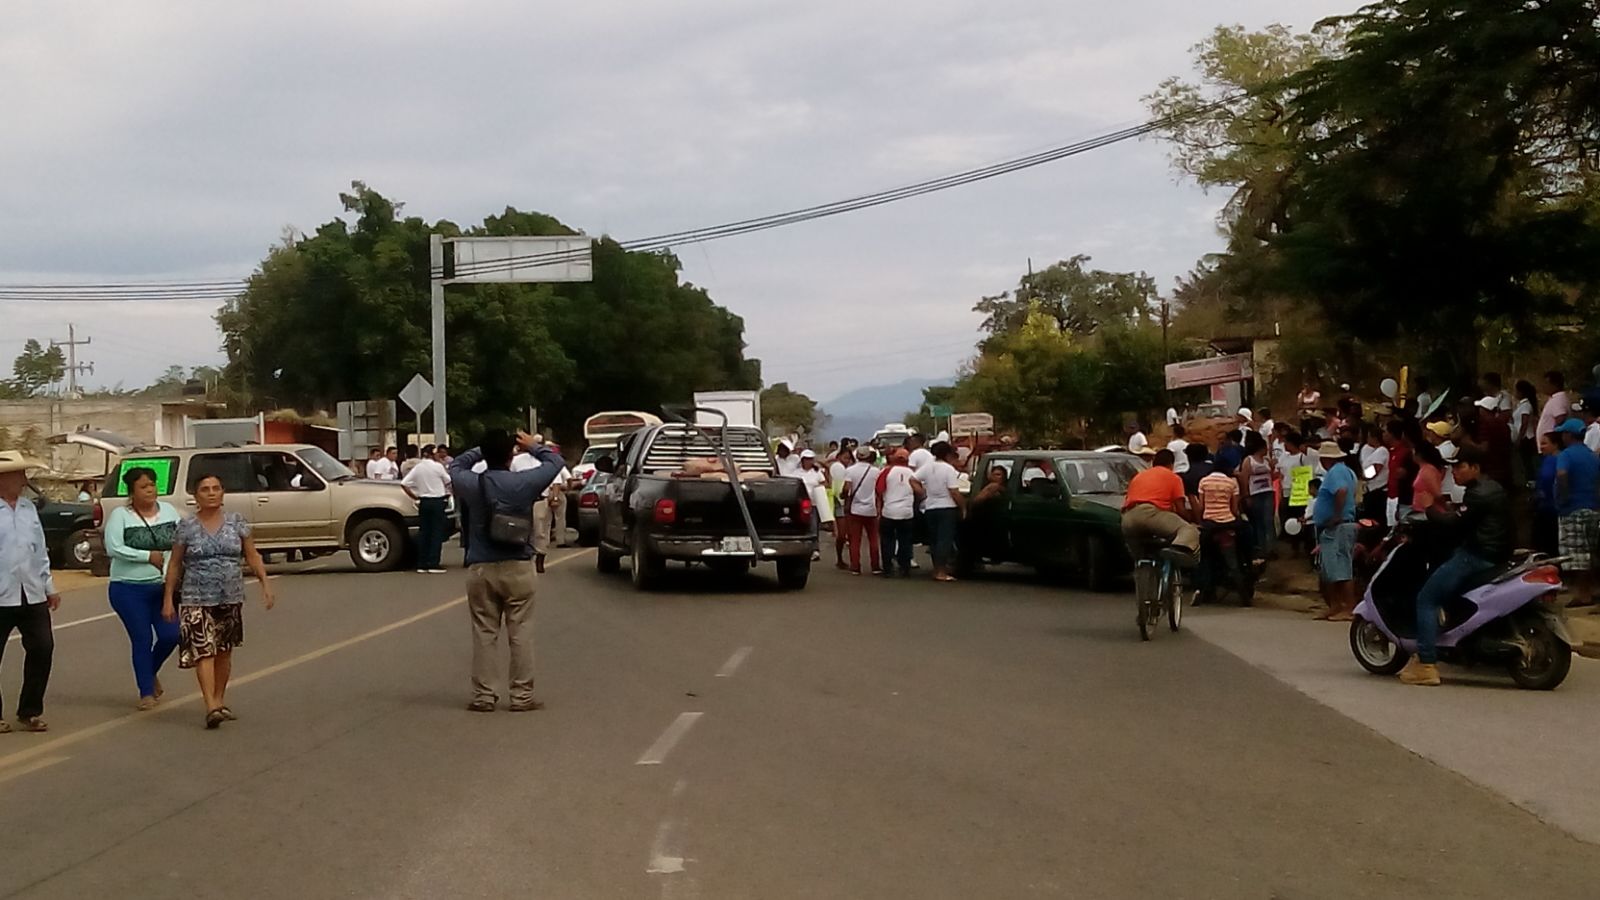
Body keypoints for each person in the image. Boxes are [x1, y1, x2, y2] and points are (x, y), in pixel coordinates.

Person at [449, 430, 566, 712]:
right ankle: (521, 696)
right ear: (511, 454)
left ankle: (484, 696)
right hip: (518, 565)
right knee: (521, 631)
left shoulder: (472, 483)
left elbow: (454, 466)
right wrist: (533, 446)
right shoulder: (524, 483)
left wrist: (481, 448)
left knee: (484, 632)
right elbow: (555, 464)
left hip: (481, 567)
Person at [162, 473, 275, 728]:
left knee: (224, 651)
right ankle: (210, 705)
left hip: (230, 594)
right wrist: (168, 598)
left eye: (216, 488)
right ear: (195, 496)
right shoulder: (187, 527)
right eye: (205, 489)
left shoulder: (237, 523)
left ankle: (219, 700)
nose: (211, 493)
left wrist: (265, 583)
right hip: (196, 596)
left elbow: (252, 555)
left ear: (223, 492)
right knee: (204, 649)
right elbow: (175, 564)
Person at [1399, 445, 1512, 686]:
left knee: (1426, 599)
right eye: (1452, 467)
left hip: (1476, 556)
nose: (1454, 472)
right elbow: (1466, 518)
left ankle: (1427, 664)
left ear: (1475, 468)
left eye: (1459, 467)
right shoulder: (1492, 488)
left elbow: (1454, 525)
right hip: (1495, 554)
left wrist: (1429, 507)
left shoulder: (1478, 494)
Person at [103, 466, 183, 709]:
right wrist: (146, 556)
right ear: (132, 491)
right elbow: (113, 547)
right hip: (127, 588)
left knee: (172, 634)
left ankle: (149, 671)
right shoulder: (121, 515)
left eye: (152, 485)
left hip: (161, 588)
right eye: (143, 486)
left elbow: (179, 544)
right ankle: (145, 691)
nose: (150, 490)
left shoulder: (169, 511)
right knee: (142, 637)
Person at [0, 451, 61, 733]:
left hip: (31, 592)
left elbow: (40, 550)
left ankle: (30, 710)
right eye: (18, 474)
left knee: (42, 648)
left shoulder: (27, 508)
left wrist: (49, 586)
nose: (23, 480)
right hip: (1, 595)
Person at [1120, 448, 1200, 565]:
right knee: (1188, 530)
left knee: (1141, 561)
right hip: (1151, 514)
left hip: (1128, 519)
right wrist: (1191, 522)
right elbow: (1181, 509)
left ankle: (1144, 578)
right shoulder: (1173, 477)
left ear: (1153, 463)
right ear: (1171, 464)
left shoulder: (1139, 476)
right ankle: (1176, 550)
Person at [1554, 417, 1600, 608]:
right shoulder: (1591, 455)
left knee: (1577, 556)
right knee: (1591, 552)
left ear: (1568, 435)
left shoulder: (1566, 455)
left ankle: (1583, 595)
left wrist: (1563, 499)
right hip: (1593, 508)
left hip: (1573, 509)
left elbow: (1562, 475)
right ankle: (1592, 590)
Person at [1312, 441, 1359, 621]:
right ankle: (1335, 605)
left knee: (1340, 569)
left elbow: (1341, 491)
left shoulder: (1336, 472)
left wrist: (1337, 515)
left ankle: (1348, 607)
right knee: (1331, 568)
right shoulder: (1347, 471)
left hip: (1338, 525)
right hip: (1338, 524)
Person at [401, 447, 452, 574]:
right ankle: (433, 563)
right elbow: (448, 480)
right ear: (431, 455)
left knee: (424, 532)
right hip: (437, 501)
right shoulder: (438, 467)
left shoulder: (418, 467)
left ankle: (422, 563)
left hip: (424, 501)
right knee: (436, 533)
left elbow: (404, 483)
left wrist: (415, 496)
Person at [920, 442, 965, 582]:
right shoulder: (948, 469)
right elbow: (954, 492)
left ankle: (936, 569)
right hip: (947, 507)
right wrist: (963, 507)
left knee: (934, 540)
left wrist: (923, 493)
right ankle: (942, 571)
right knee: (944, 540)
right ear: (948, 454)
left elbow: (912, 479)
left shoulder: (927, 467)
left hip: (930, 507)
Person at [875, 449, 924, 577]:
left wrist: (879, 510)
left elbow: (879, 491)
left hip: (889, 512)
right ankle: (905, 567)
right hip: (906, 513)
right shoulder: (913, 474)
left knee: (887, 541)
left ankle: (887, 568)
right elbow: (920, 492)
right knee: (905, 541)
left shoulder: (886, 472)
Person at [840, 447, 883, 576]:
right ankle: (875, 566)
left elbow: (846, 489)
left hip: (855, 509)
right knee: (873, 539)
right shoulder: (876, 471)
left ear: (857, 456)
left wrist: (844, 496)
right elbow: (878, 491)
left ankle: (855, 566)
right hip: (871, 509)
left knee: (855, 540)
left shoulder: (850, 470)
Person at [1238, 432, 1275, 564]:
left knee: (1268, 520)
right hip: (1255, 493)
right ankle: (1262, 548)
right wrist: (1246, 495)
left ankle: (1270, 547)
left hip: (1268, 491)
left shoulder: (1266, 461)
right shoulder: (1249, 460)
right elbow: (1244, 478)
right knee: (1259, 522)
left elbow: (1272, 474)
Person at [796, 450, 833, 560]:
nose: (808, 461)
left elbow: (826, 484)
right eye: (806, 459)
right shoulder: (796, 473)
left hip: (813, 504)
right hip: (800, 504)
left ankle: (815, 549)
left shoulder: (817, 473)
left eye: (810, 459)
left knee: (813, 527)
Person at [1534, 433, 1560, 556]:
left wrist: (1540, 494)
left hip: (1548, 507)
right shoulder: (1554, 459)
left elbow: (1546, 478)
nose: (1541, 446)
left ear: (1555, 445)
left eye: (1545, 443)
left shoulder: (1551, 460)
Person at [1358, 424, 1390, 522]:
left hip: (1378, 491)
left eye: (1369, 437)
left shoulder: (1382, 451)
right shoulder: (1372, 450)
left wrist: (1363, 476)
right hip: (1371, 490)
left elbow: (1375, 469)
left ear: (1375, 438)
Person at [1536, 370, 1570, 441]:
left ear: (1555, 384)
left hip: (1551, 445)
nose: (1544, 386)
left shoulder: (1558, 399)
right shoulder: (1554, 398)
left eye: (1546, 384)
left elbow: (1560, 418)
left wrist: (1553, 438)